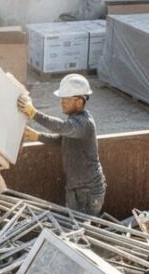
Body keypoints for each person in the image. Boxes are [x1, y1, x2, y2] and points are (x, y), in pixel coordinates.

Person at [17, 74, 106, 216]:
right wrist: (37, 136)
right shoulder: (74, 122)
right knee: (74, 227)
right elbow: (61, 140)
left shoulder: (84, 124)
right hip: (74, 188)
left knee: (85, 229)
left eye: (66, 99)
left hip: (88, 191)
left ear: (79, 101)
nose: (62, 102)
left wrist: (34, 113)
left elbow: (61, 127)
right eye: (61, 99)